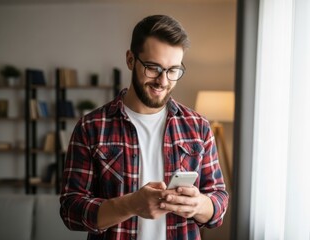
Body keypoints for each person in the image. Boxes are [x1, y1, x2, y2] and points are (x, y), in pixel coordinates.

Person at [60, 14, 229, 240]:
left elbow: (219, 201)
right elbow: (70, 210)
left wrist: (198, 205)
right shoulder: (91, 127)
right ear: (131, 60)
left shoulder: (198, 126)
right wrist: (130, 204)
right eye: (153, 68)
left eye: (173, 70)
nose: (163, 81)